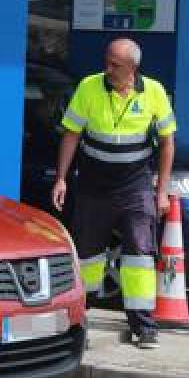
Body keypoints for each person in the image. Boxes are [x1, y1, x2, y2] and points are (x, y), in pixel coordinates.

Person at [52, 37, 176, 350]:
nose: (108, 69)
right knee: (88, 256)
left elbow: (167, 144)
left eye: (115, 65)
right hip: (95, 185)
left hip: (135, 186)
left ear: (133, 68)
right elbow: (71, 135)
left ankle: (144, 326)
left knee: (140, 256)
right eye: (107, 62)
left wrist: (162, 192)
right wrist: (61, 179)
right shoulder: (89, 87)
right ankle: (79, 322)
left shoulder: (154, 92)